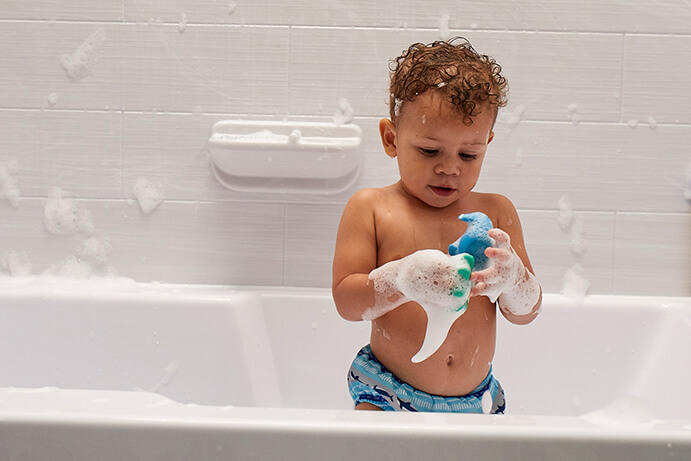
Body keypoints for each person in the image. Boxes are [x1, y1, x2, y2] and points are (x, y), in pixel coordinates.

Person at [331, 37, 542, 413]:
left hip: (477, 401)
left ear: (487, 143)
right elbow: (348, 304)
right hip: (388, 392)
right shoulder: (373, 208)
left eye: (468, 153)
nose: (449, 167)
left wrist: (514, 280)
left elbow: (525, 313)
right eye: (430, 151)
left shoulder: (497, 211)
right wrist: (400, 277)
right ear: (391, 138)